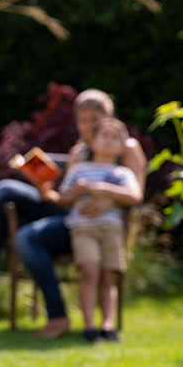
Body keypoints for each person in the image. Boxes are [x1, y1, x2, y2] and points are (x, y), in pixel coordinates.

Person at [0, 88, 147, 339]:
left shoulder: (127, 147)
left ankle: (59, 317)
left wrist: (107, 201)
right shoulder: (79, 151)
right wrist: (46, 190)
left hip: (104, 225)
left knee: (25, 237)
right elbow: (67, 197)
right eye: (82, 121)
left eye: (94, 120)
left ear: (109, 116)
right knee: (4, 189)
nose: (87, 127)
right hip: (74, 217)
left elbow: (136, 192)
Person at [40, 118, 142, 341]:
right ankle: (89, 327)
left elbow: (135, 196)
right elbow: (63, 198)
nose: (108, 140)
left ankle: (108, 326)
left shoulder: (123, 174)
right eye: (103, 135)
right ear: (92, 142)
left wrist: (103, 189)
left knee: (108, 276)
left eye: (114, 137)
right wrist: (63, 194)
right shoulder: (80, 170)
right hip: (83, 229)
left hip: (111, 230)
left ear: (122, 146)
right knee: (89, 271)